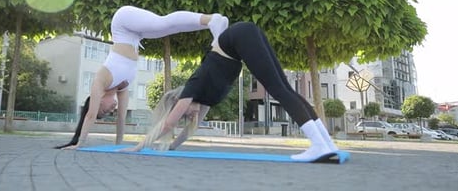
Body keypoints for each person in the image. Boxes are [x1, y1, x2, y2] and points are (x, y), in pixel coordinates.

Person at [121, 21, 339, 162]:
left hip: (239, 37)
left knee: (278, 90)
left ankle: (318, 145)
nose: (189, 116)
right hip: (246, 34)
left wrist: (139, 147)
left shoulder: (191, 89)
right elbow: (187, 133)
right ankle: (326, 143)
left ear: (178, 102)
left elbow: (168, 124)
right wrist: (171, 147)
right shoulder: (205, 100)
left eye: (184, 113)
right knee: (286, 89)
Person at [57, 5, 228, 150]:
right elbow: (121, 119)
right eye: (109, 113)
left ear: (99, 100)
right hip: (134, 35)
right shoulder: (122, 88)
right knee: (168, 28)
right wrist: (118, 146)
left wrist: (80, 143)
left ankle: (211, 20)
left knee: (163, 23)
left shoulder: (100, 81)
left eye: (105, 110)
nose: (111, 110)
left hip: (122, 22)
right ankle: (212, 23)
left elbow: (90, 116)